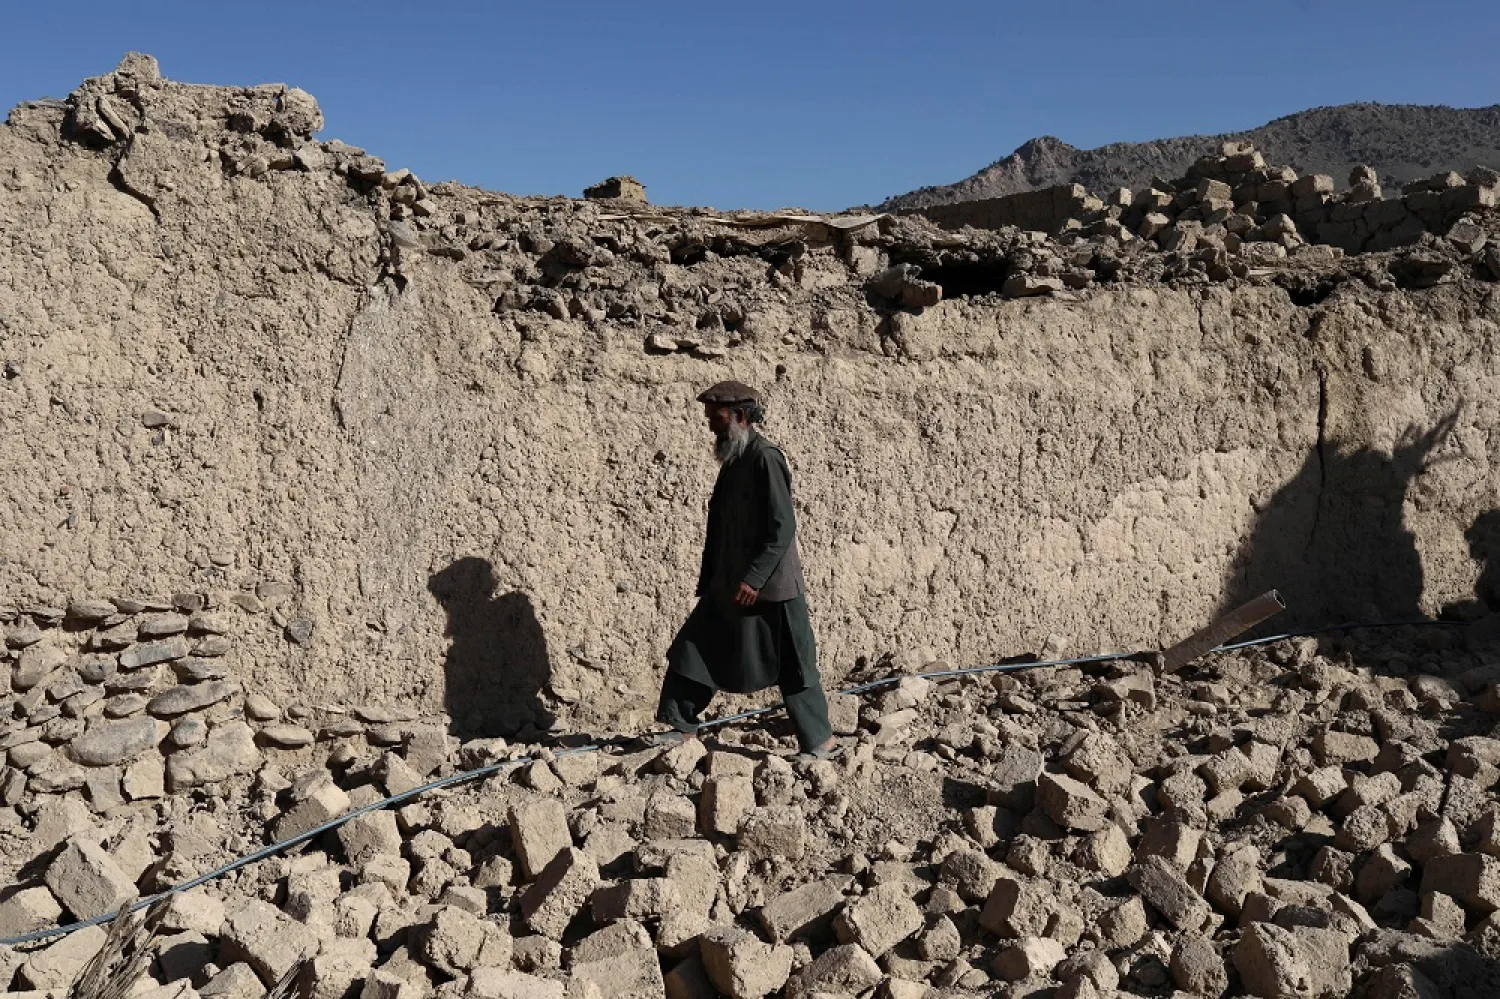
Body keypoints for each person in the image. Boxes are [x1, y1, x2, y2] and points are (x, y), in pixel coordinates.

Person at [650, 380, 838, 760]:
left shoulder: (766, 458)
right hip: (729, 585)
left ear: (739, 416)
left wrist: (755, 577)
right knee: (695, 648)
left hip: (770, 587)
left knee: (795, 662)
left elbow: (782, 527)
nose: (709, 424)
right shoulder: (735, 459)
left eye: (715, 417)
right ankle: (681, 725)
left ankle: (820, 742)